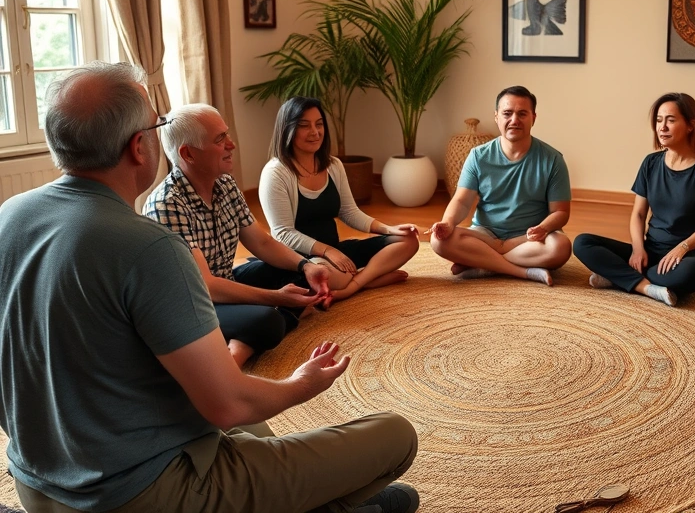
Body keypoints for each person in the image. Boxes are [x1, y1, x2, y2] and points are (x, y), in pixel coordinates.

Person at [0, 62, 419, 513]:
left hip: (40, 484)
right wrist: (301, 383)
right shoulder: (151, 247)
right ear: (139, 147)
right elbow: (229, 405)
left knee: (256, 433)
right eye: (155, 126)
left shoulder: (9, 216)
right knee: (395, 436)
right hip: (139, 493)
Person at [145, 103, 333, 367]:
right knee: (266, 320)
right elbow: (207, 287)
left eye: (227, 135)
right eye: (221, 139)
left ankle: (242, 340)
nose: (232, 145)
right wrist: (277, 297)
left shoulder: (224, 183)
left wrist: (306, 265)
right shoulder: (167, 204)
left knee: (299, 275)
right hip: (189, 307)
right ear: (188, 154)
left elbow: (261, 241)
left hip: (225, 281)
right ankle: (237, 354)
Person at [259, 97, 419, 302]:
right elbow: (283, 233)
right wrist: (327, 251)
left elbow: (349, 211)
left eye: (319, 124)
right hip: (303, 261)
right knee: (327, 275)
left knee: (407, 241)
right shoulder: (276, 173)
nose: (315, 132)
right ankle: (367, 279)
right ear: (287, 130)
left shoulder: (333, 165)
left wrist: (389, 229)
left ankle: (354, 285)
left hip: (336, 252)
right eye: (304, 126)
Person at [573, 93, 695, 306]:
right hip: (651, 251)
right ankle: (647, 287)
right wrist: (638, 248)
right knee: (583, 243)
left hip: (689, 256)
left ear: (691, 125)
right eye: (659, 120)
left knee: (694, 272)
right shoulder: (651, 163)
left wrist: (682, 248)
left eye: (670, 120)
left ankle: (620, 278)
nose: (662, 127)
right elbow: (638, 214)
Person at [430, 85, 572, 286]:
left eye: (522, 114)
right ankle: (522, 272)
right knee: (438, 240)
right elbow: (462, 201)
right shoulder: (478, 156)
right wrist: (447, 223)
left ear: (533, 118)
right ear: (497, 117)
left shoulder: (553, 159)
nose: (514, 120)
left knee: (561, 247)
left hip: (529, 239)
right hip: (486, 235)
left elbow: (561, 213)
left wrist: (543, 228)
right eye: (507, 113)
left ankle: (483, 263)